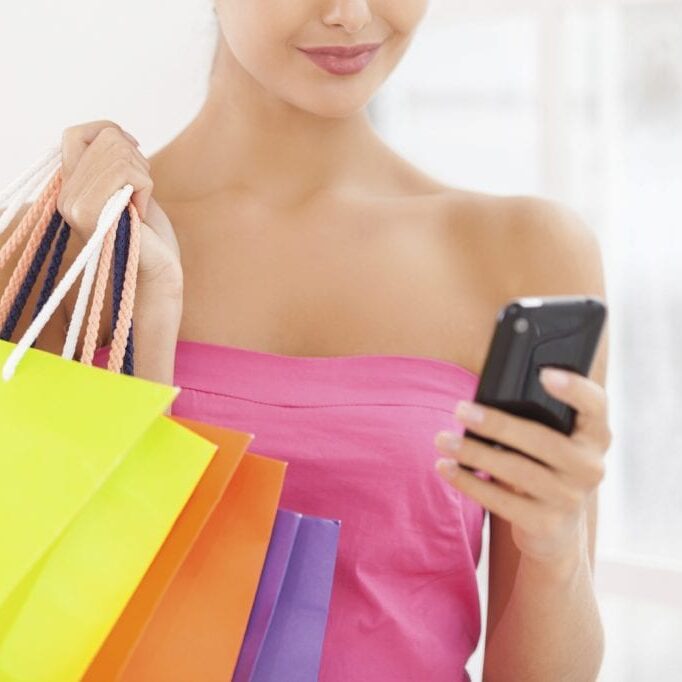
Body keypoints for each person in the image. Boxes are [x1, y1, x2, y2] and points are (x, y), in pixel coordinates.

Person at [1, 1, 612, 679]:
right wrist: (152, 320)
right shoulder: (67, 252)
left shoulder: (525, 255)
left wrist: (557, 550)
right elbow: (45, 634)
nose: (350, 15)